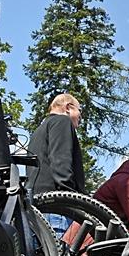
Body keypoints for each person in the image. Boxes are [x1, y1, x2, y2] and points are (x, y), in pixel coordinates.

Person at [27, 93, 85, 236]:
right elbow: (61, 161)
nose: (80, 118)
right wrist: (71, 200)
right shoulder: (62, 121)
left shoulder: (38, 132)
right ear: (68, 107)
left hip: (36, 211)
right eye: (79, 112)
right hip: (58, 210)